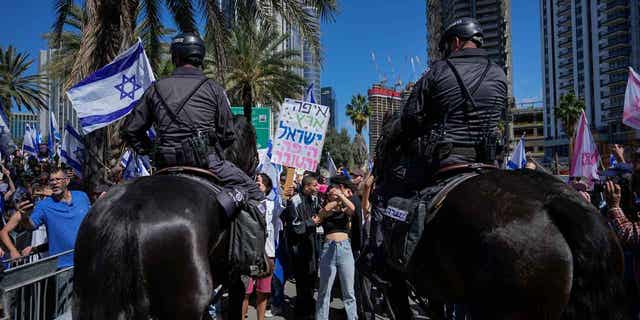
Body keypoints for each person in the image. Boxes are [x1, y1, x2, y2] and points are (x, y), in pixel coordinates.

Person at [120, 32, 267, 276]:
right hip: (206, 162)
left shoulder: (156, 88)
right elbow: (228, 133)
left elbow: (130, 130)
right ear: (200, 58)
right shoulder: (213, 89)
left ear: (175, 57)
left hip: (163, 165)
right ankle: (252, 260)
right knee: (253, 192)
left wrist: (150, 150)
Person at [0, 168, 89, 268]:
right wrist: (24, 217)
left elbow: (92, 220)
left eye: (58, 179)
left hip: (89, 260)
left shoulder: (82, 196)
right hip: (63, 266)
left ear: (67, 181)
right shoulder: (43, 206)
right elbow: (30, 226)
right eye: (52, 180)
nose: (54, 183)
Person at [313, 175, 359, 320]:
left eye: (338, 188)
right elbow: (324, 211)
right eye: (333, 189)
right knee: (324, 290)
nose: (336, 190)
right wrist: (336, 199)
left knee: (349, 292)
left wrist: (341, 196)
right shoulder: (326, 206)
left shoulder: (345, 205)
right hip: (328, 248)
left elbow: (353, 209)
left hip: (345, 248)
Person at [242, 173, 281, 320]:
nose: (255, 185)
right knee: (245, 292)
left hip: (266, 255)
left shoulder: (273, 205)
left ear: (266, 187)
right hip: (248, 254)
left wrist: (287, 194)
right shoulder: (246, 203)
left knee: (263, 292)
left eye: (258, 183)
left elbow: (282, 206)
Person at [282, 175, 321, 319]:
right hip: (299, 250)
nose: (317, 188)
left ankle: (309, 312)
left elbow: (319, 216)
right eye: (315, 185)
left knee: (311, 281)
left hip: (311, 246)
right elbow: (296, 226)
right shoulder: (295, 201)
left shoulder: (315, 199)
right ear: (306, 187)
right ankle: (300, 314)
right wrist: (312, 222)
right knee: (302, 284)